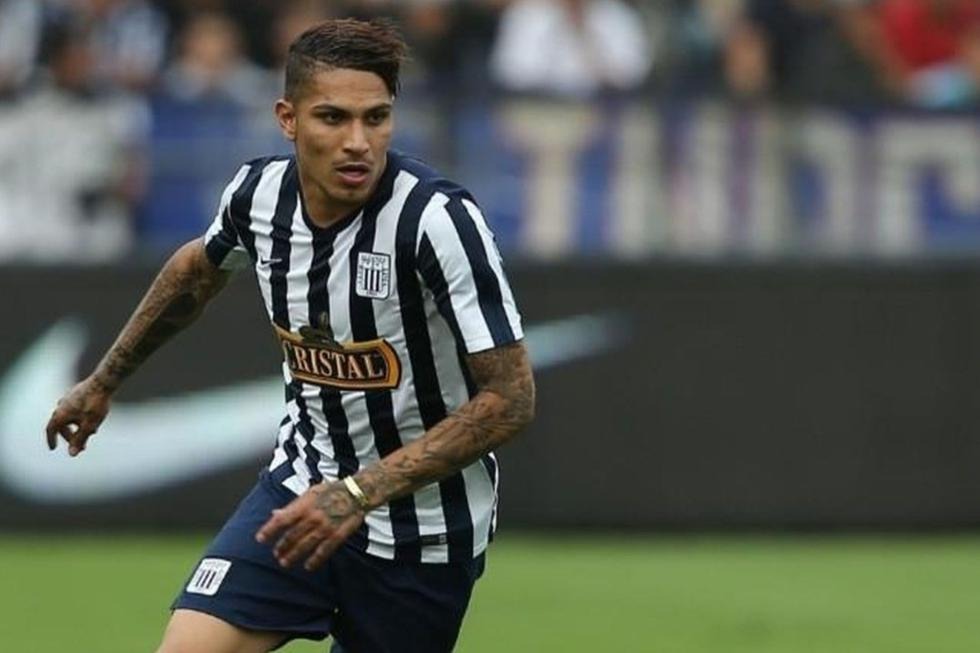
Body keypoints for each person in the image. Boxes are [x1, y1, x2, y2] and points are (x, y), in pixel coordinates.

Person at [44, 18, 535, 653]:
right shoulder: (258, 196)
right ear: (288, 119)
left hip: (422, 535)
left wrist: (358, 494)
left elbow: (510, 399)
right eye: (333, 118)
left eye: (376, 118)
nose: (357, 142)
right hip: (300, 492)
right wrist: (103, 381)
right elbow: (196, 271)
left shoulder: (436, 222)